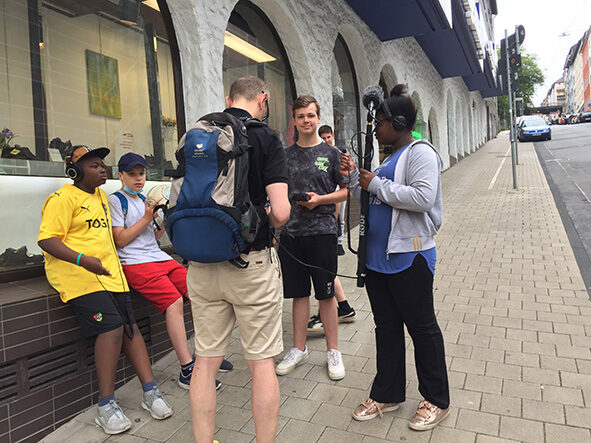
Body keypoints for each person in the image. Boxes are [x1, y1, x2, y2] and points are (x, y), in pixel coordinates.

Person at [38, 146, 173, 435]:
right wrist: (82, 260)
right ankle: (105, 405)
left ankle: (151, 392)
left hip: (110, 275)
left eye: (102, 164)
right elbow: (47, 240)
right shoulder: (61, 199)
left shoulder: (101, 197)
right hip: (78, 276)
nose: (103, 169)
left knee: (130, 328)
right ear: (75, 171)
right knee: (112, 328)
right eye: (94, 166)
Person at [187, 76, 290, 443]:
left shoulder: (200, 134)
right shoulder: (266, 138)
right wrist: (269, 220)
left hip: (201, 265)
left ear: (228, 99)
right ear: (263, 98)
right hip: (251, 265)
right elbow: (281, 211)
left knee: (205, 362)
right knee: (261, 364)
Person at [341, 85, 450, 430]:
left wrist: (374, 184)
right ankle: (387, 393)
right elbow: (373, 196)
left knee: (422, 328)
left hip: (410, 256)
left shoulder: (421, 153)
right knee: (386, 327)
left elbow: (422, 197)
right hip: (378, 259)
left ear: (399, 123)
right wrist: (352, 177)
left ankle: (436, 399)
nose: (375, 129)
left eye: (381, 122)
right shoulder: (389, 159)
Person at [107, 152, 233, 392]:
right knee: (174, 301)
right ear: (120, 175)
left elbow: (152, 238)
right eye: (132, 174)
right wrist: (147, 218)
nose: (138, 179)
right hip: (134, 263)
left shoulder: (146, 198)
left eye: (141, 173)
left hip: (157, 257)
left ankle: (205, 355)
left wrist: (163, 221)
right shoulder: (115, 201)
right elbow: (120, 240)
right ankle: (187, 368)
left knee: (199, 293)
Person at [276, 96, 348, 381]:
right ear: (294, 120)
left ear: (318, 118)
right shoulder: (284, 155)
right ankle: (298, 348)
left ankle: (333, 351)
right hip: (291, 234)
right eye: (300, 116)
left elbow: (346, 191)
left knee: (326, 295)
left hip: (322, 233)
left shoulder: (332, 154)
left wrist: (320, 200)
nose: (306, 120)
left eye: (310, 115)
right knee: (298, 294)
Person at [307, 125, 356, 336]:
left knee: (324, 271)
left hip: (324, 225)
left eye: (329, 137)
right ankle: (344, 307)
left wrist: (332, 228)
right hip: (319, 225)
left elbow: (343, 193)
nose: (326, 140)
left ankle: (334, 311)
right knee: (325, 270)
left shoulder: (335, 155)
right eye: (324, 137)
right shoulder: (317, 154)